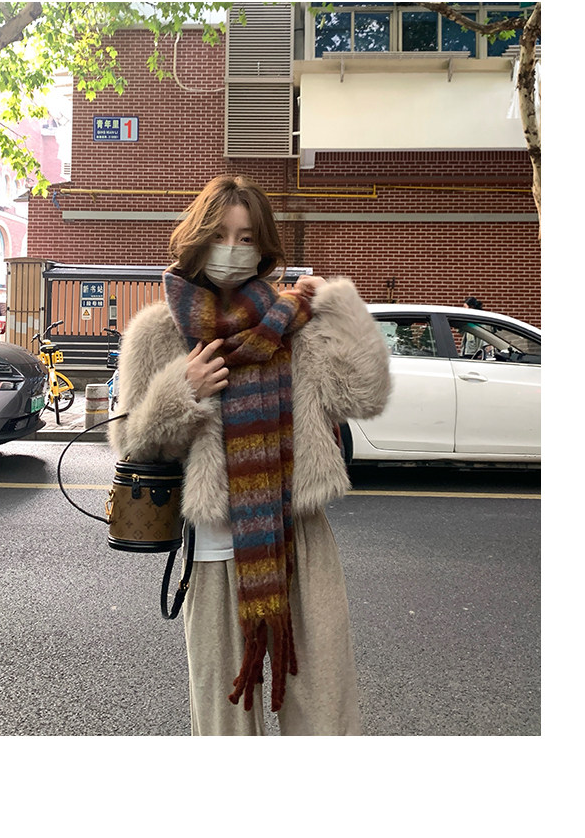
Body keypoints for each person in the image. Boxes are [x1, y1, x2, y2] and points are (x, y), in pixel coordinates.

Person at [109, 174, 391, 736]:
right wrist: (180, 392)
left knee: (324, 709)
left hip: (299, 539)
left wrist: (339, 307)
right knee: (225, 721)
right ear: (196, 239)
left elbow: (366, 396)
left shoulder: (295, 325)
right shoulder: (158, 332)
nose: (232, 250)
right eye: (220, 235)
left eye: (246, 238)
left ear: (264, 249)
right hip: (213, 549)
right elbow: (132, 444)